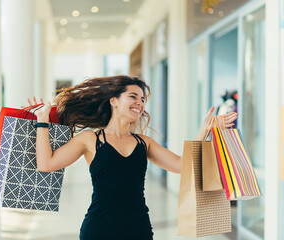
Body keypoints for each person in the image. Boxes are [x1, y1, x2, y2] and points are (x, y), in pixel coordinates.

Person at [21, 75, 238, 240]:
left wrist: (205, 130)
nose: (140, 103)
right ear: (113, 101)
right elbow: (46, 164)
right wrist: (41, 121)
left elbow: (183, 165)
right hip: (99, 228)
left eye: (142, 99)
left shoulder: (144, 142)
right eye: (133, 97)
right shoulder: (89, 139)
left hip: (139, 228)